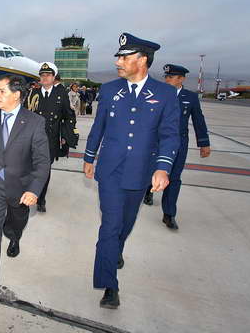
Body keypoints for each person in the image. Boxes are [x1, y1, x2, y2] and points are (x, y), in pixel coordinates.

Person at [83, 33, 180, 309]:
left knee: (125, 223)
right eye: (119, 57)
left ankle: (117, 249)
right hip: (110, 170)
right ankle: (109, 286)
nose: (118, 62)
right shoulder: (109, 90)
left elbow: (170, 134)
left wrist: (163, 168)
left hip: (140, 171)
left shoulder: (165, 94)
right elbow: (99, 125)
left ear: (143, 60)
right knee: (110, 226)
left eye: (125, 57)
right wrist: (89, 156)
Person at [0, 75, 50, 305]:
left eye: (1, 91)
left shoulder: (34, 122)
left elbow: (42, 162)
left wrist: (34, 190)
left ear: (17, 95)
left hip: (20, 188)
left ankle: (14, 236)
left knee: (16, 222)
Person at [142, 64, 211, 230]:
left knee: (174, 177)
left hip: (179, 143)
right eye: (166, 77)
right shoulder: (157, 94)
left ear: (181, 79)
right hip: (157, 141)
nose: (167, 80)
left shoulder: (190, 97)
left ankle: (169, 214)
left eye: (171, 77)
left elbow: (198, 120)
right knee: (153, 170)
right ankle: (148, 191)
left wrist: (204, 143)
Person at [23, 62, 76, 213]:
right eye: (42, 75)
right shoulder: (33, 94)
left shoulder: (61, 94)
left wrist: (66, 136)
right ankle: (29, 192)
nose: (45, 77)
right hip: (32, 139)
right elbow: (24, 115)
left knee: (44, 170)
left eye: (48, 75)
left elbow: (69, 116)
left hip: (50, 140)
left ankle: (41, 199)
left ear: (53, 77)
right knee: (29, 168)